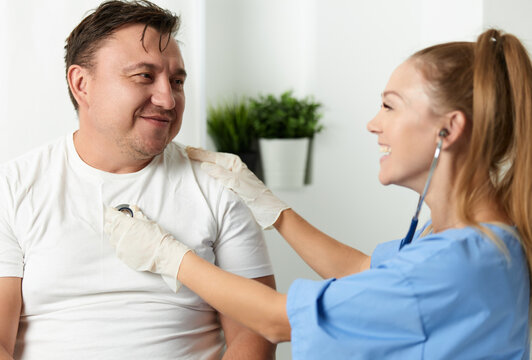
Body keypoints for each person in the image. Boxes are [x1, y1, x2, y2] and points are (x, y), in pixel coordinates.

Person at [105, 27, 532, 359]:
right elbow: (362, 268)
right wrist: (272, 208)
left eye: (390, 105)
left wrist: (169, 256)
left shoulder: (455, 262)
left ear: (449, 129)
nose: (373, 124)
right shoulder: (475, 240)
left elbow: (276, 321)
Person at [0, 1, 277, 359]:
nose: (168, 99)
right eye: (144, 76)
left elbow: (255, 333)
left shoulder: (219, 183)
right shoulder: (10, 188)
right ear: (82, 84)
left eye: (176, 81)